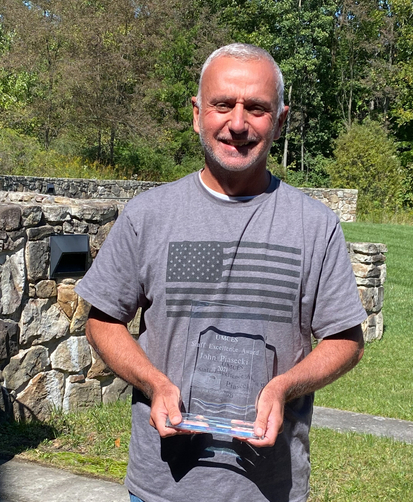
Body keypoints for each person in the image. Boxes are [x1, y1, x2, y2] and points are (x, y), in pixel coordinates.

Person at [76, 43, 366, 502]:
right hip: (161, 487)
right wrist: (155, 382)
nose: (237, 123)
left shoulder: (314, 225)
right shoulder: (149, 215)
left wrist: (284, 386)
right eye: (222, 105)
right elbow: (103, 320)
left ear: (281, 119)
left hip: (269, 489)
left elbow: (346, 341)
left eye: (256, 108)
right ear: (196, 114)